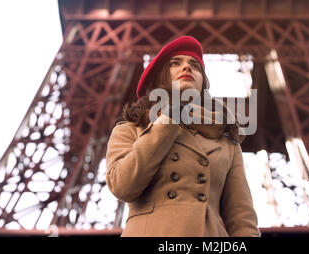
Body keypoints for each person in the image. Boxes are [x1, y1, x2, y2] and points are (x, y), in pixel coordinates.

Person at [105, 35, 260, 237]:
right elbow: (122, 186)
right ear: (160, 77)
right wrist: (170, 118)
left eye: (195, 65)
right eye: (175, 63)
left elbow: (242, 221)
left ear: (203, 83)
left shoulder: (227, 143)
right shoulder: (130, 129)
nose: (187, 68)